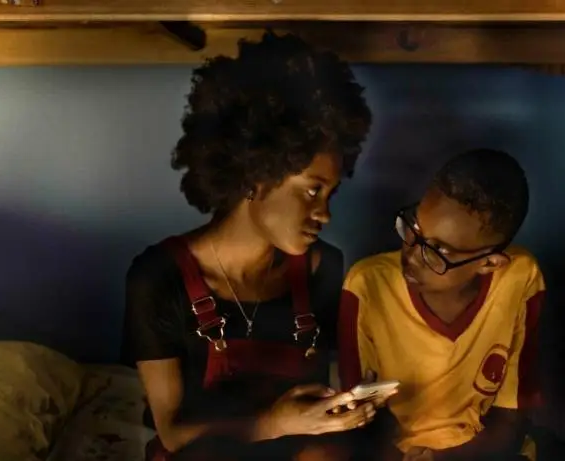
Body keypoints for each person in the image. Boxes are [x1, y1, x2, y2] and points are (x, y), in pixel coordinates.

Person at [121, 31, 379, 461]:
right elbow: (174, 433)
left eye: (330, 194)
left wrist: (339, 412)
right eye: (312, 191)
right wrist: (274, 423)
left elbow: (314, 406)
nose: (325, 214)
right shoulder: (158, 277)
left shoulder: (323, 267)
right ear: (256, 176)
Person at [338, 149, 545, 461]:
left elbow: (510, 420)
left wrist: (440, 459)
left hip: (481, 452)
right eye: (414, 229)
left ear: (488, 264)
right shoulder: (367, 284)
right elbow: (358, 424)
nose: (411, 255)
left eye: (438, 251)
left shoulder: (519, 278)